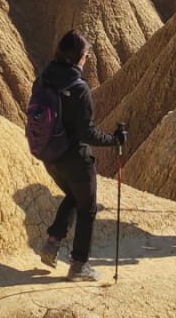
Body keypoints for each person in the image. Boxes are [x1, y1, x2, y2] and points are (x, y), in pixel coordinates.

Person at [31, 30, 126, 281]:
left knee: (73, 195)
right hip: (75, 158)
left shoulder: (42, 80)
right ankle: (78, 266)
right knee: (88, 208)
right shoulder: (79, 88)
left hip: (49, 156)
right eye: (85, 55)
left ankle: (52, 242)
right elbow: (88, 134)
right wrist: (114, 140)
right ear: (77, 57)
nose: (87, 59)